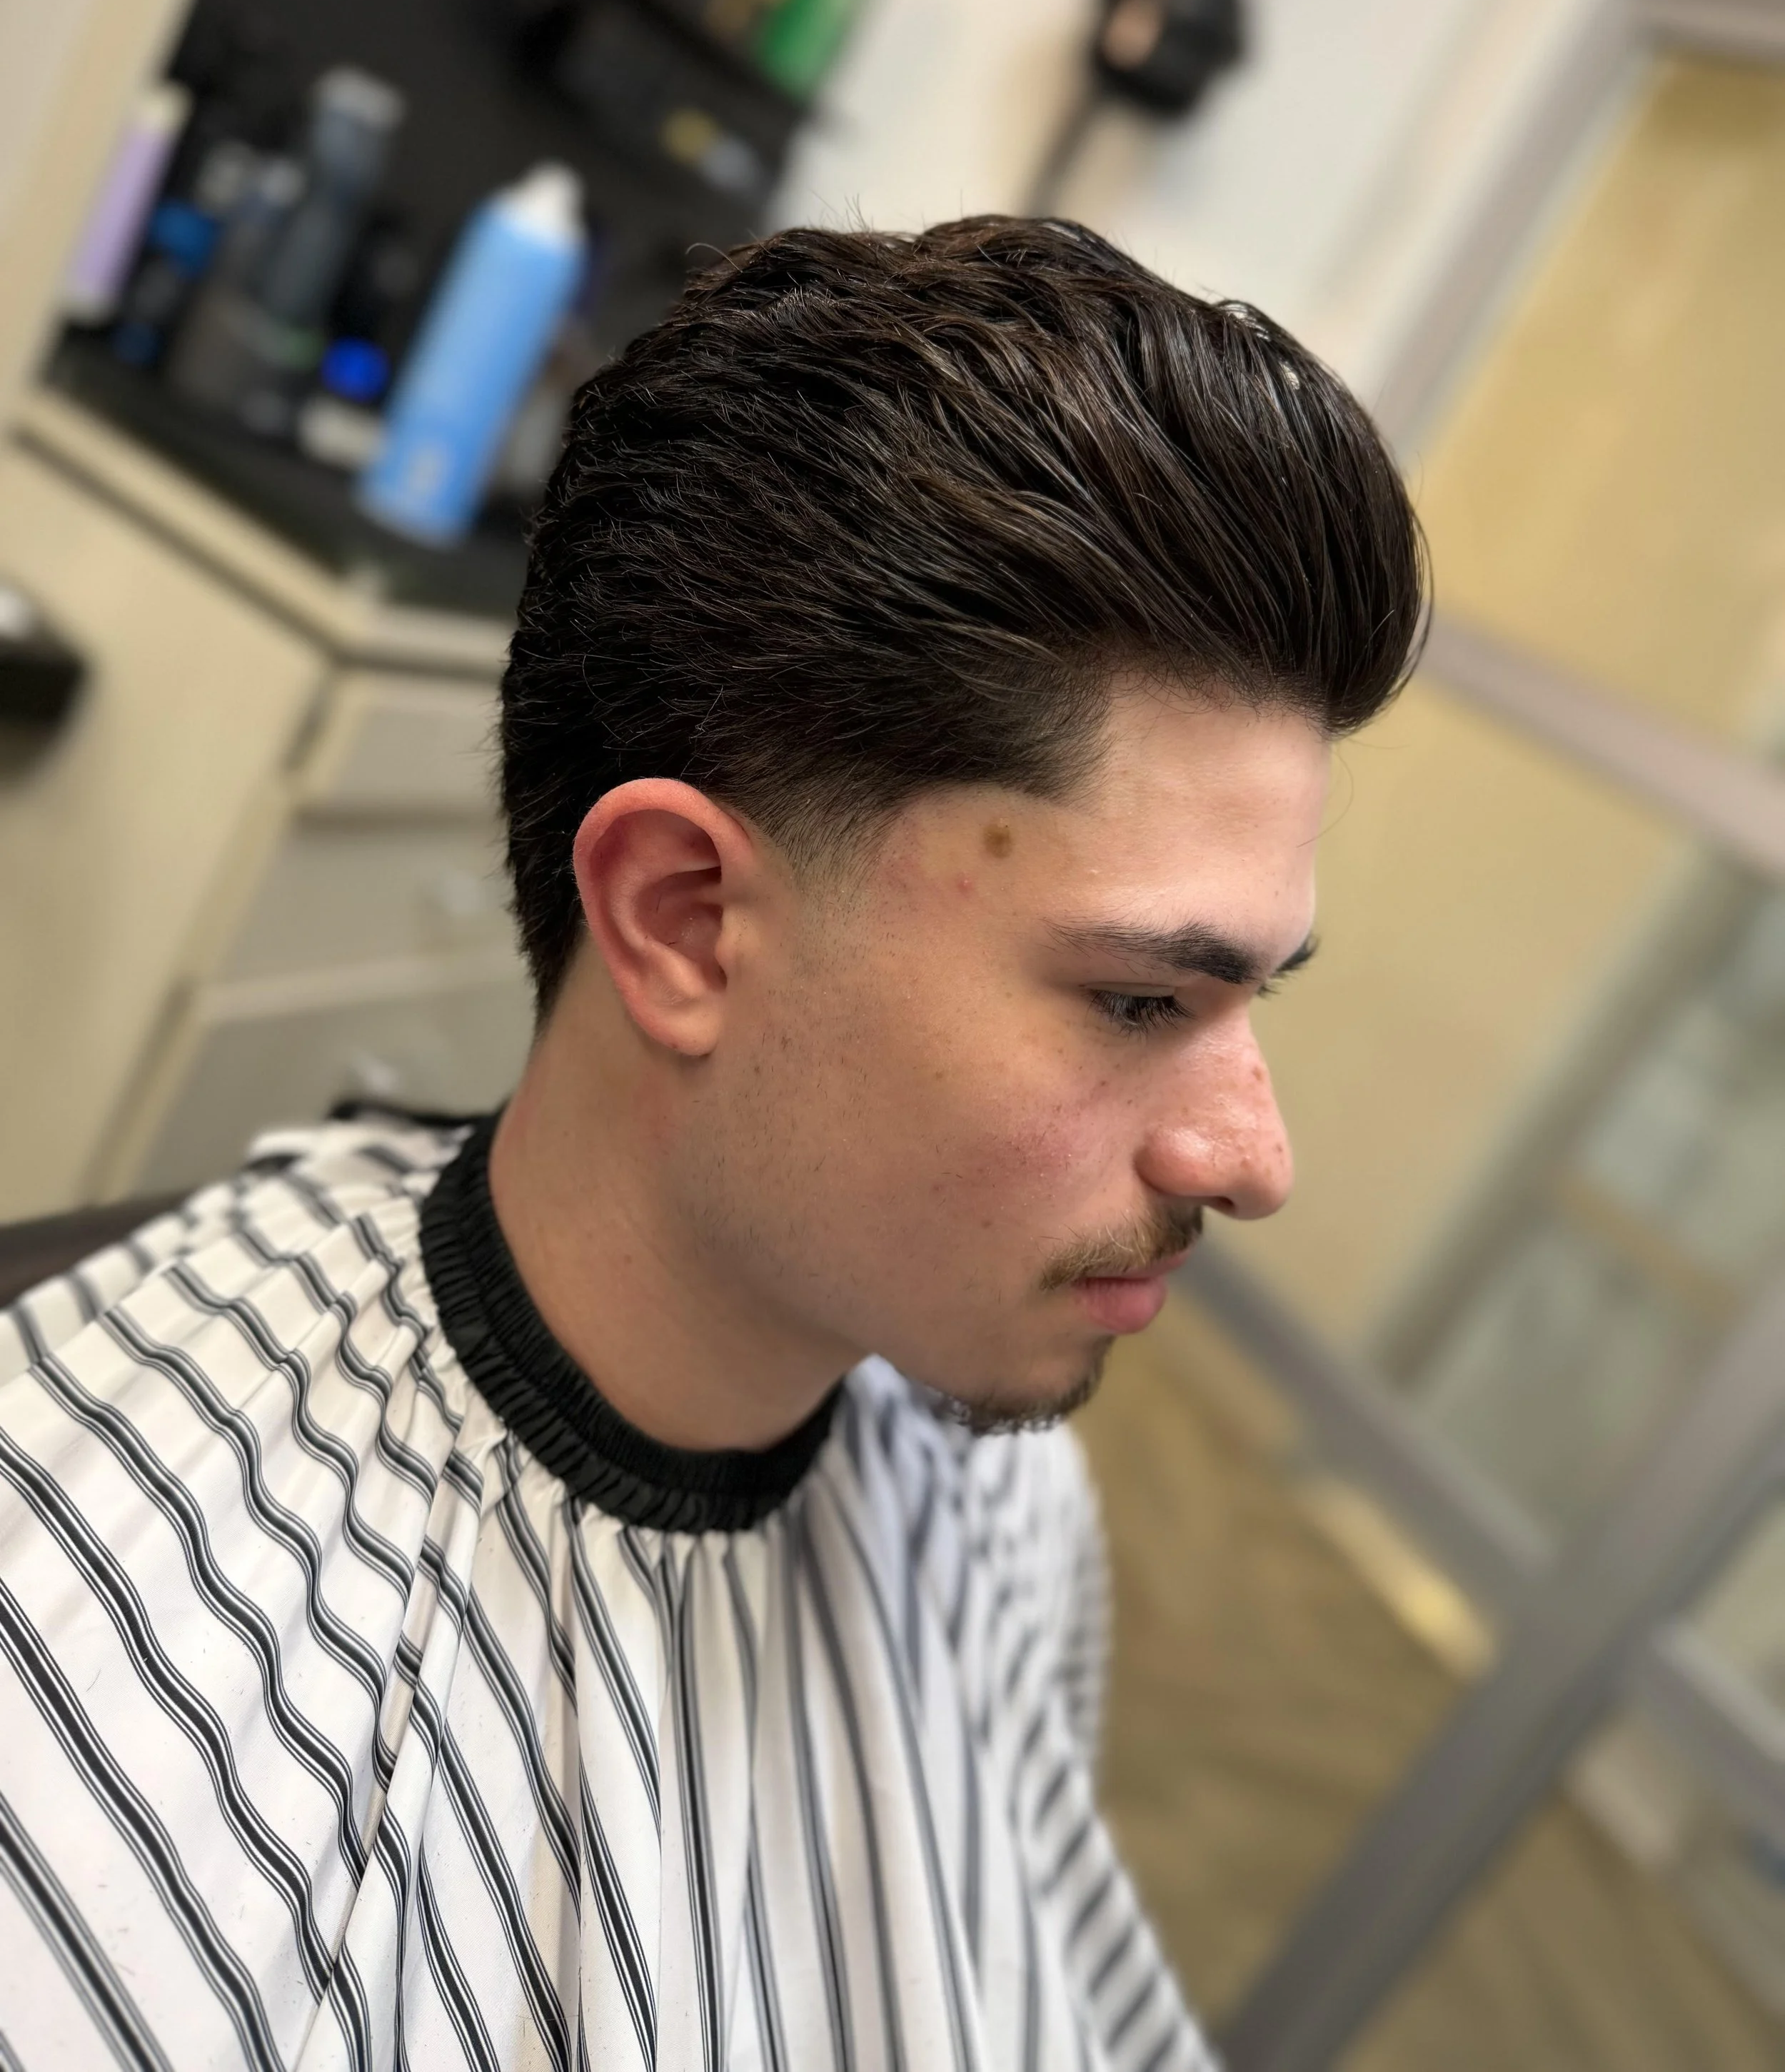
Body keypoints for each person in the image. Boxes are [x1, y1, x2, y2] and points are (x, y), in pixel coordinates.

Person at [0, 217, 1424, 2071]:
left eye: (1257, 999)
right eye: (1143, 999)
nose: (1251, 1157)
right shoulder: (81, 1695)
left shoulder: (1009, 1507)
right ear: (682, 920)